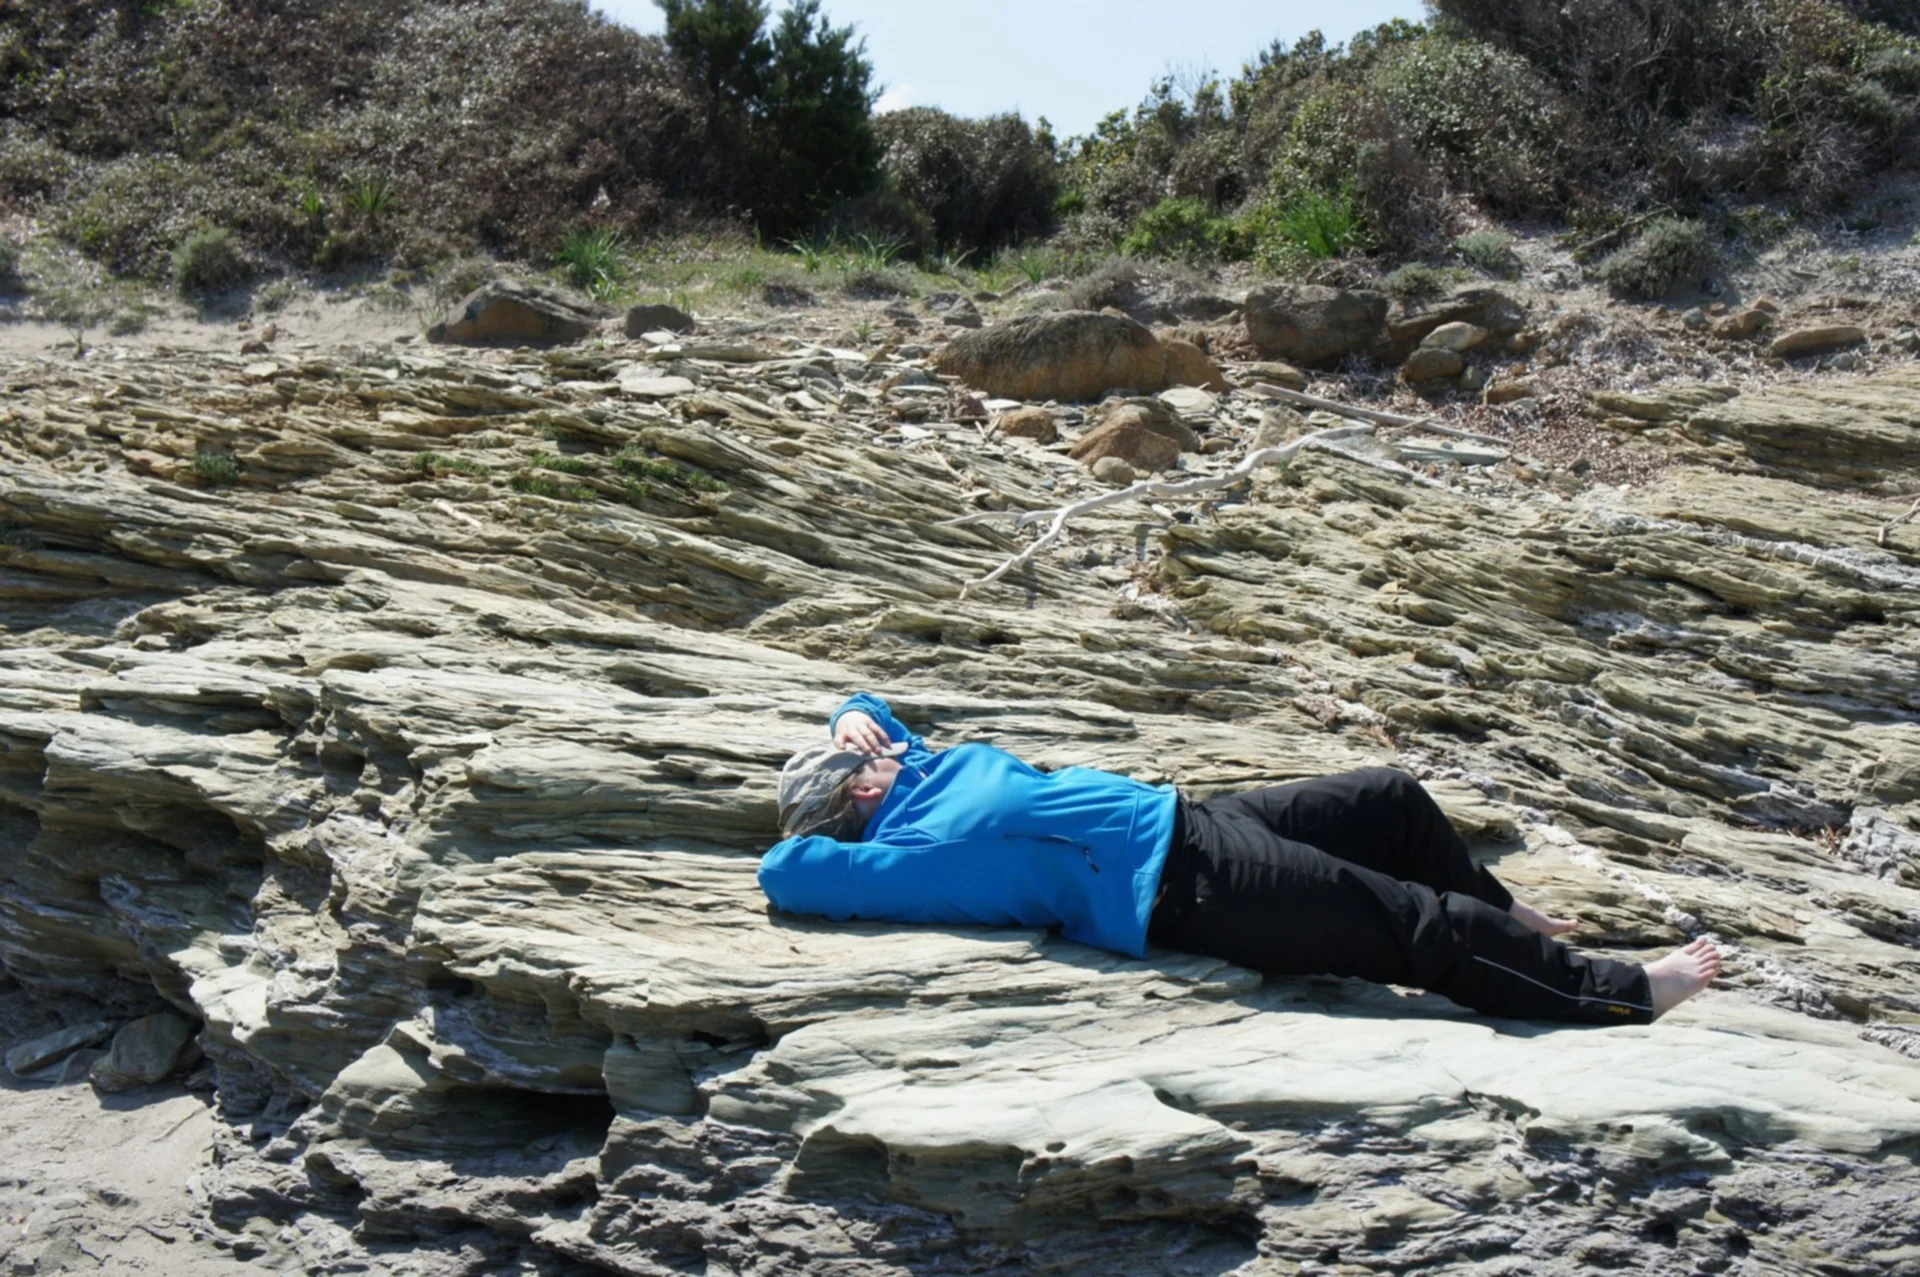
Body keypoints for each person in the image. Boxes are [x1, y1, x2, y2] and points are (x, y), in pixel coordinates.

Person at [759, 692, 1720, 1024]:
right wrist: (830, 801)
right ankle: (1625, 992)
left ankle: (1507, 912)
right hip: (1188, 891)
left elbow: (871, 705)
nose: (880, 751)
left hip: (1195, 819)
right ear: (856, 800)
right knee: (1417, 927)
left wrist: (848, 719)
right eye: (862, 763)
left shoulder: (918, 769)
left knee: (1388, 797)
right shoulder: (901, 852)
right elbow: (785, 872)